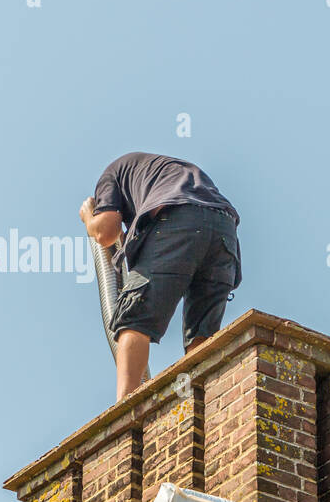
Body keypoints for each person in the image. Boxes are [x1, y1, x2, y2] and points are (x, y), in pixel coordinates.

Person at [79, 152, 242, 401]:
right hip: (224, 229)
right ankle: (200, 403)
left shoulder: (111, 174)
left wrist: (89, 218)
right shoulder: (161, 173)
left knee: (134, 318)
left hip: (178, 218)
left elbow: (106, 232)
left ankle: (125, 409)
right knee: (202, 336)